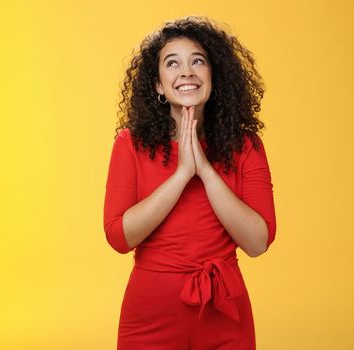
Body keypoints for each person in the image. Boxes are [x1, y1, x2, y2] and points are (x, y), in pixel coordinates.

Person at [103, 16, 277, 349]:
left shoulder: (247, 146)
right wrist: (183, 173)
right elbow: (118, 237)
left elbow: (257, 242)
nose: (186, 72)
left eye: (198, 61)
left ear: (214, 77)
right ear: (157, 85)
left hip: (225, 312)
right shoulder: (129, 144)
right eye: (172, 63)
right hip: (149, 315)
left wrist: (205, 171)